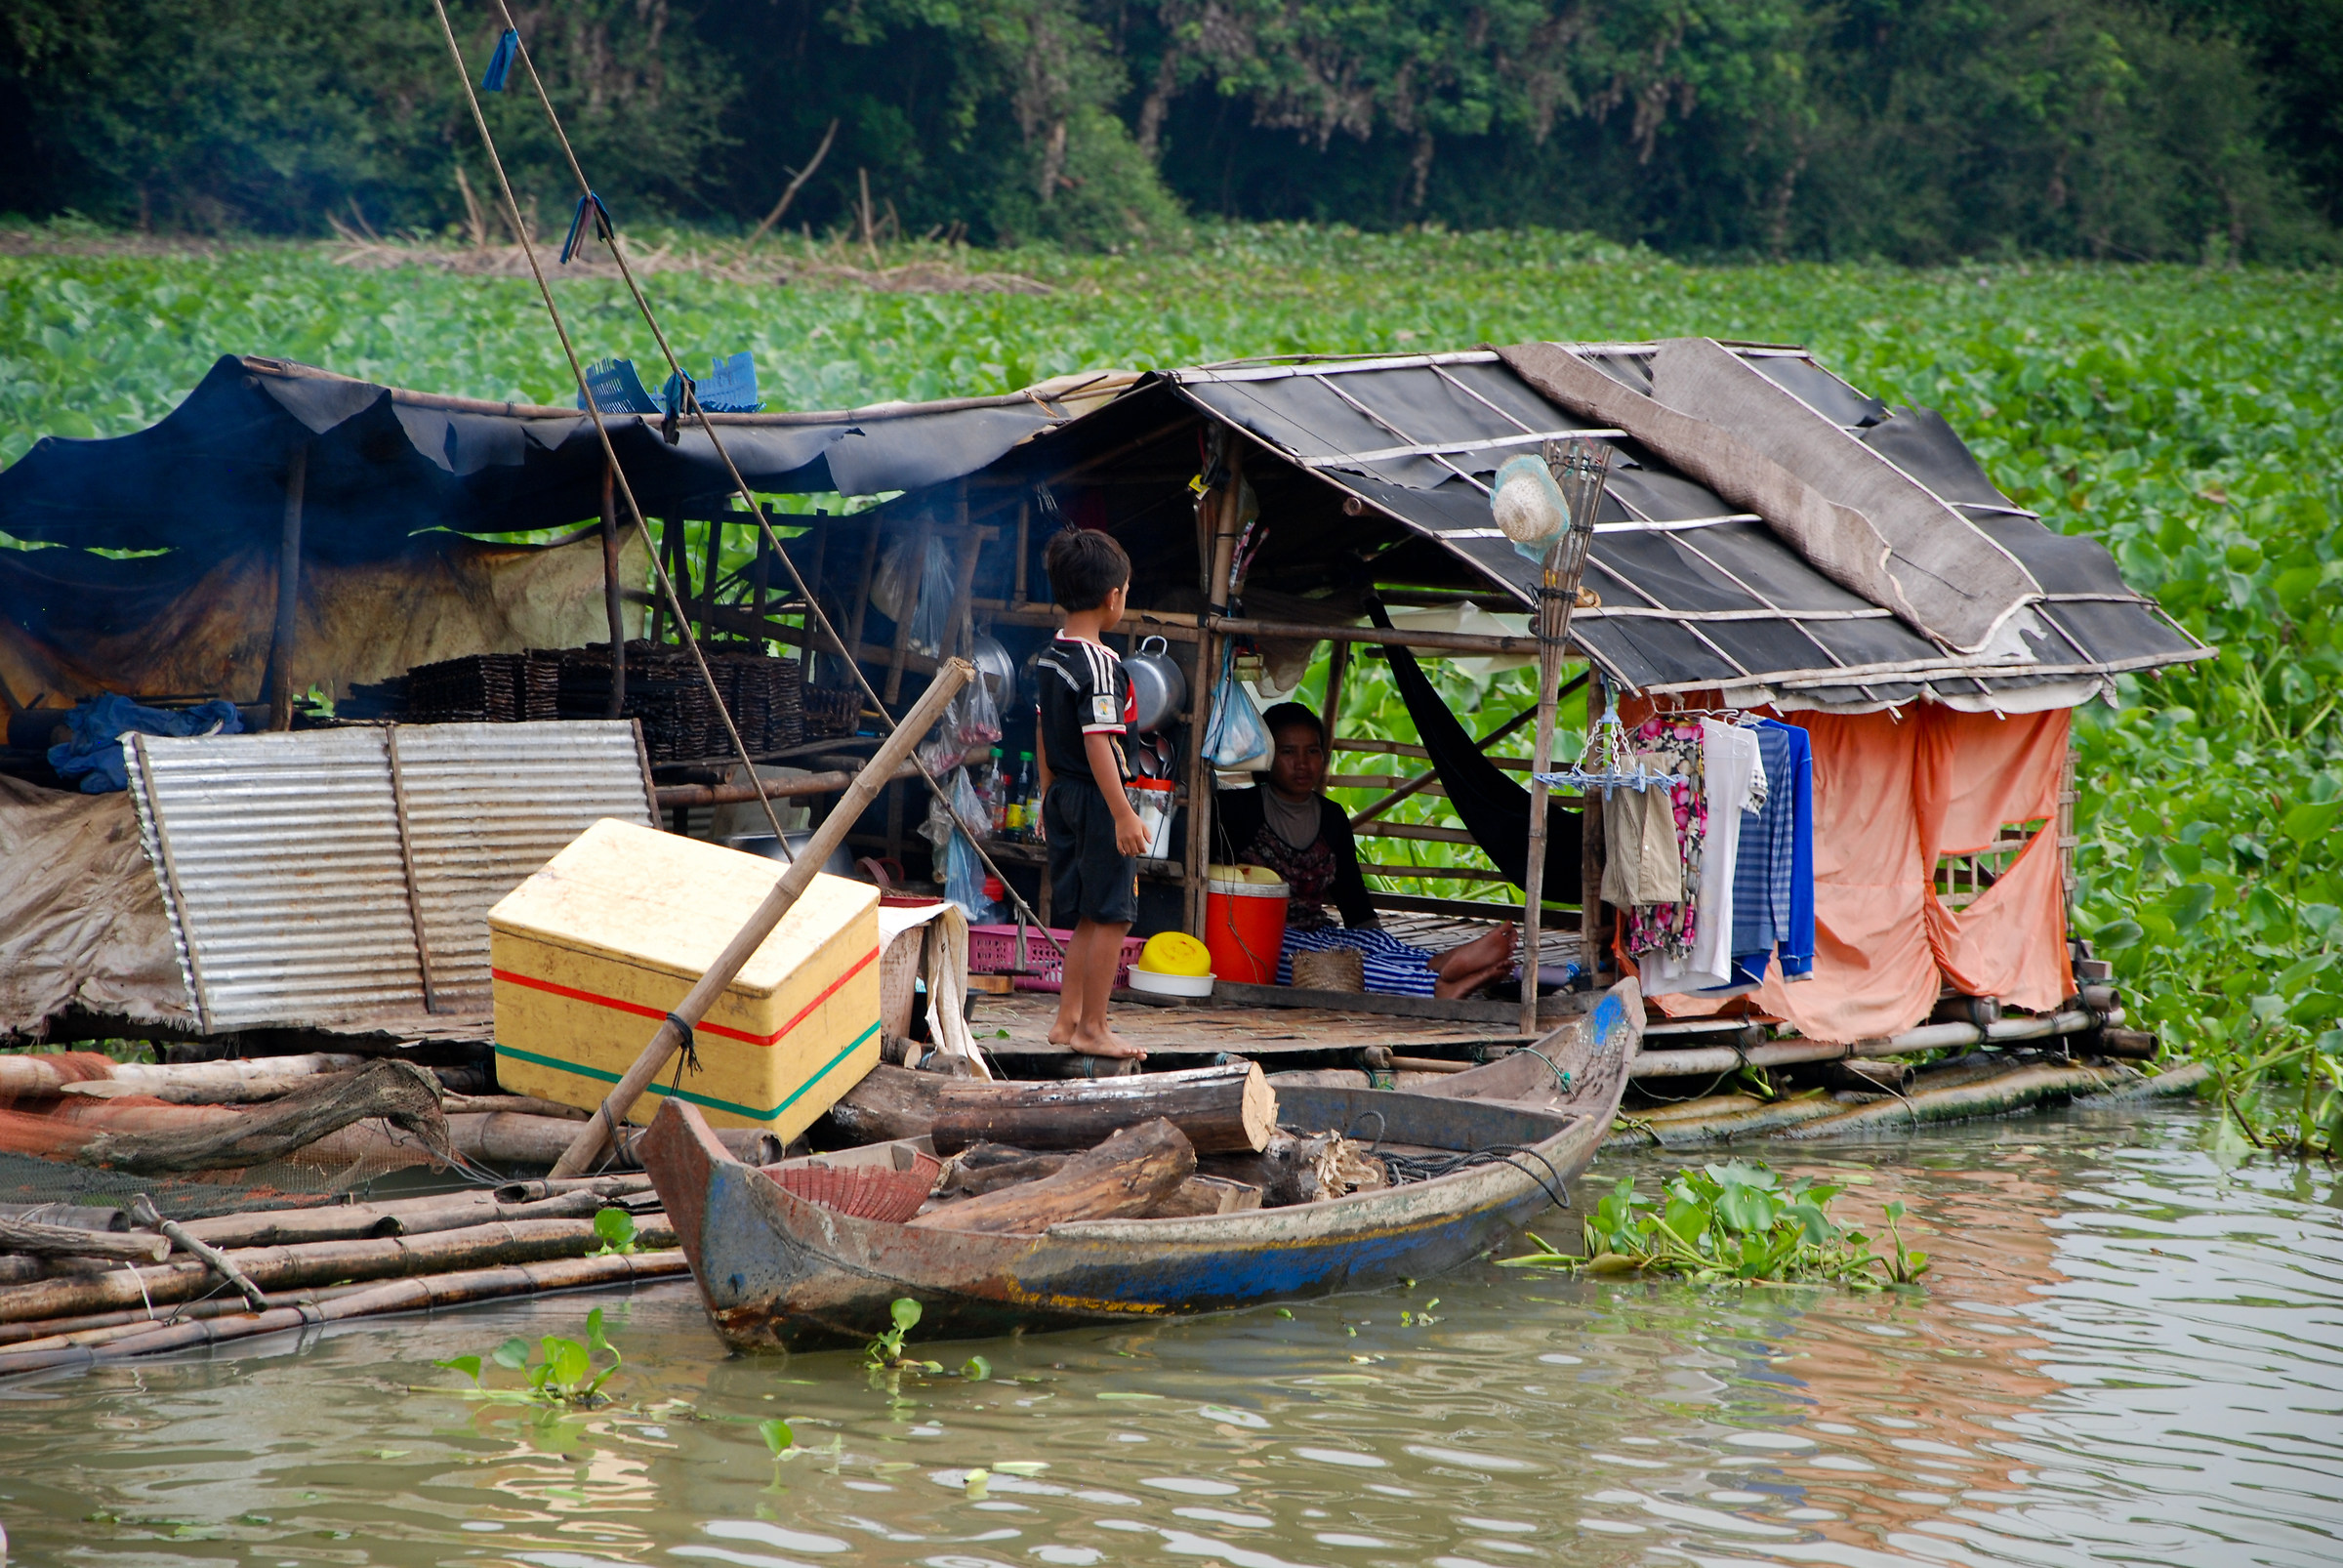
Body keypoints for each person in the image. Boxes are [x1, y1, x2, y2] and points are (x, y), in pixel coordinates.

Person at [1214, 702, 1516, 1000]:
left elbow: (1354, 903)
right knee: (1339, 964)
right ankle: (1434, 986)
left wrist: (1375, 938)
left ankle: (1439, 963)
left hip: (1316, 931)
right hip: (1260, 940)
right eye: (1288, 752)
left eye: (1312, 751)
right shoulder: (1240, 810)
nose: (1303, 764)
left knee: (1365, 944)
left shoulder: (1331, 818)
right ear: (1266, 755)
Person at [1032, 527, 1149, 1059]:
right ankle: (1094, 1029)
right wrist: (1124, 813)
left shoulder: (1051, 655)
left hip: (1065, 795)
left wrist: (1046, 792)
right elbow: (1099, 741)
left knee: (1086, 914)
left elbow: (1041, 727)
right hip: (1100, 799)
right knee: (1113, 915)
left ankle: (1067, 1020)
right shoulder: (1101, 663)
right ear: (1113, 597)